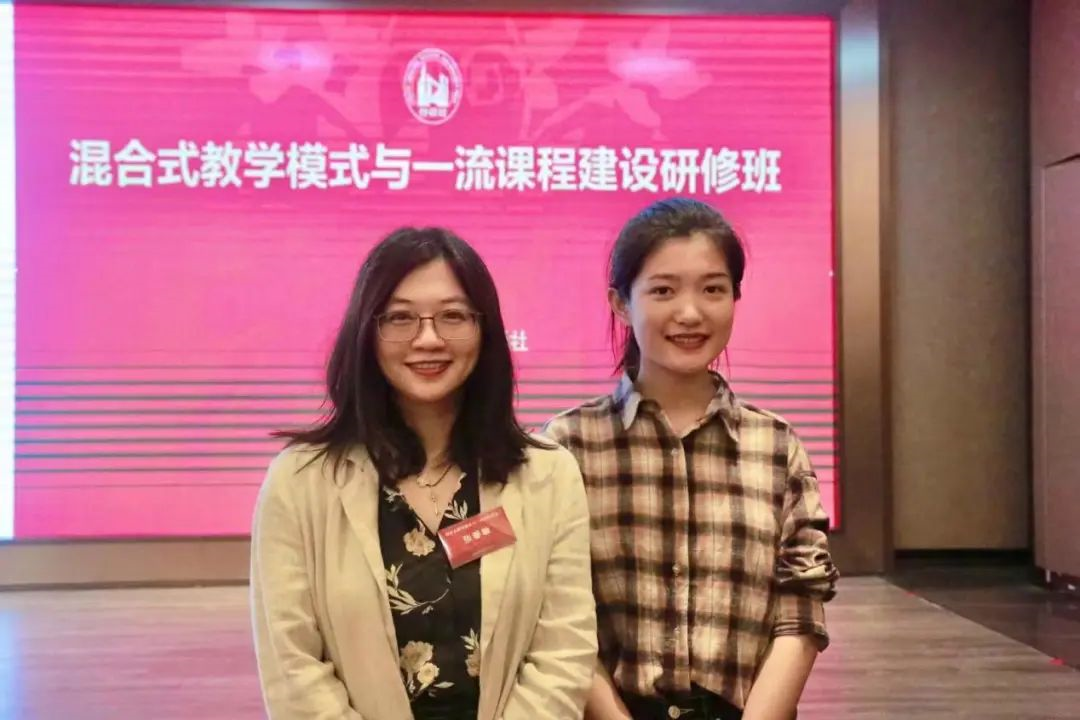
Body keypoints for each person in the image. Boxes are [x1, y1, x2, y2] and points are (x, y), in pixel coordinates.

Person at [251, 227, 597, 720]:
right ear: (367, 333)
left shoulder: (548, 474)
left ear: (485, 330)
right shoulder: (300, 481)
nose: (429, 339)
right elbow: (293, 667)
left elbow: (565, 649)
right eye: (400, 318)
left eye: (454, 316)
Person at [544, 198, 838, 720]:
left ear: (735, 298)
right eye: (663, 290)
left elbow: (800, 613)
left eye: (713, 289)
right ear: (620, 303)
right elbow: (556, 614)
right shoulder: (567, 445)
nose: (690, 313)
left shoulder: (776, 446)